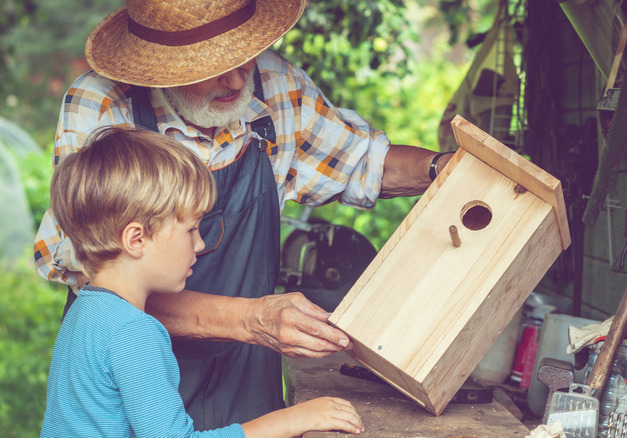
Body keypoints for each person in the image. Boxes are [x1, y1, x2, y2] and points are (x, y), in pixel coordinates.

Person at [34, 0, 453, 430]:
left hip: (246, 375)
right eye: (212, 66)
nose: (238, 79)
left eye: (243, 56)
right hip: (134, 368)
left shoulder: (271, 80)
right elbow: (94, 264)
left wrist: (447, 170)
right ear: (160, 66)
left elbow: (362, 161)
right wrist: (253, 320)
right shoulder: (103, 104)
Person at [40, 126, 365, 437]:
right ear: (136, 239)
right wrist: (294, 419)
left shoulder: (86, 312)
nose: (199, 245)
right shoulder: (133, 333)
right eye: (191, 230)